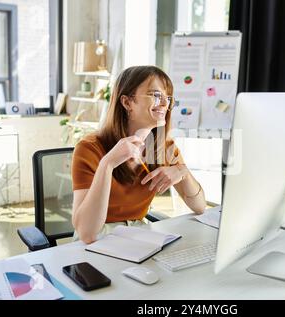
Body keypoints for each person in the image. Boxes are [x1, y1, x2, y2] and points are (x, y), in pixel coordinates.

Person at [71, 66, 206, 244]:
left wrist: (182, 171)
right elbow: (87, 234)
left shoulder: (163, 148)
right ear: (127, 103)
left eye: (168, 98)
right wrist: (107, 164)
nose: (165, 104)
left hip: (139, 235)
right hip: (97, 239)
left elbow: (200, 206)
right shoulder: (89, 148)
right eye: (156, 95)